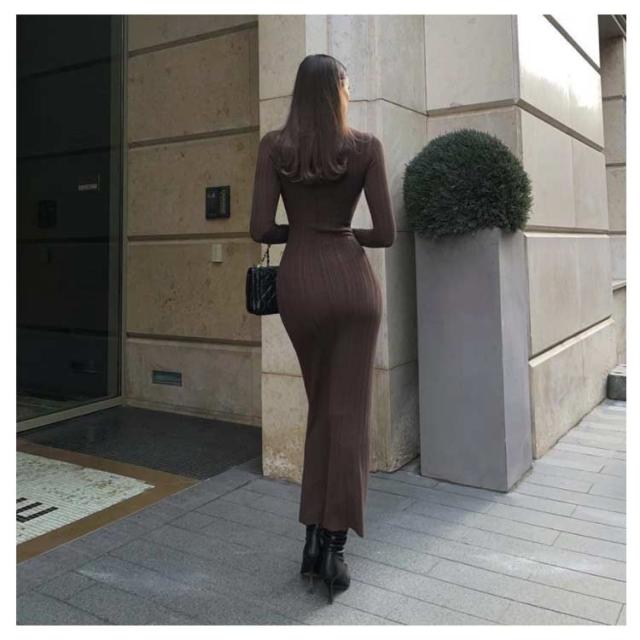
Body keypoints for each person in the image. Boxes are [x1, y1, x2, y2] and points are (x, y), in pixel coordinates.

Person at [249, 53, 396, 604]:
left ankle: (312, 537)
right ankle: (333, 547)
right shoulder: (366, 147)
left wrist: (303, 231)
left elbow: (260, 227)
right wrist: (341, 232)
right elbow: (385, 233)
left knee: (322, 410)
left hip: (300, 285)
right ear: (338, 90)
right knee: (347, 415)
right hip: (352, 285)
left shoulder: (274, 147)